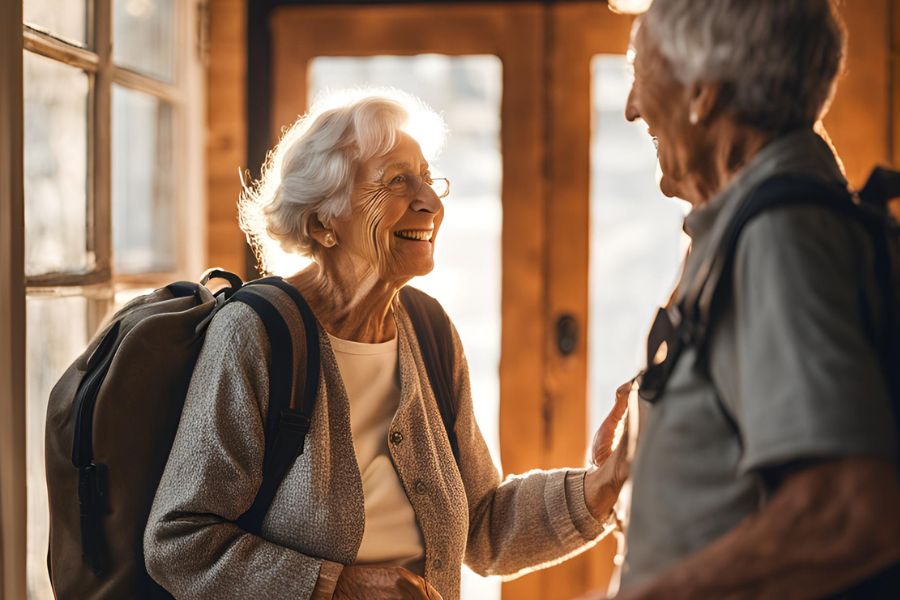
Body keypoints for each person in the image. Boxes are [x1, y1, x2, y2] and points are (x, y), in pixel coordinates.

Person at [143, 90, 629, 600]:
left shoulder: (429, 330)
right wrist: (338, 588)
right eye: (398, 180)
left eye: (428, 178)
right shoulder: (255, 334)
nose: (432, 203)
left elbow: (484, 527)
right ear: (322, 223)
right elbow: (179, 541)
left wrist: (602, 486)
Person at [597, 0, 900, 597]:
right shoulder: (767, 227)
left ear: (702, 92)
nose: (632, 108)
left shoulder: (780, 236)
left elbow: (848, 511)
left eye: (641, 69)